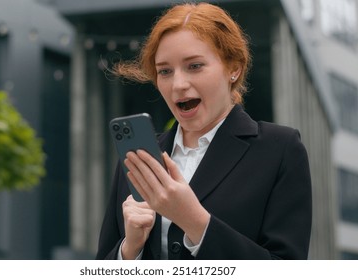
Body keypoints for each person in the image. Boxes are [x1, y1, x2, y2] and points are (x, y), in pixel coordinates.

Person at [96, 2, 312, 260]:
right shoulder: (138, 159)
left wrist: (195, 221)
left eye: (194, 66)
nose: (178, 84)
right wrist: (130, 249)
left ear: (234, 68)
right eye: (165, 71)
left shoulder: (280, 149)